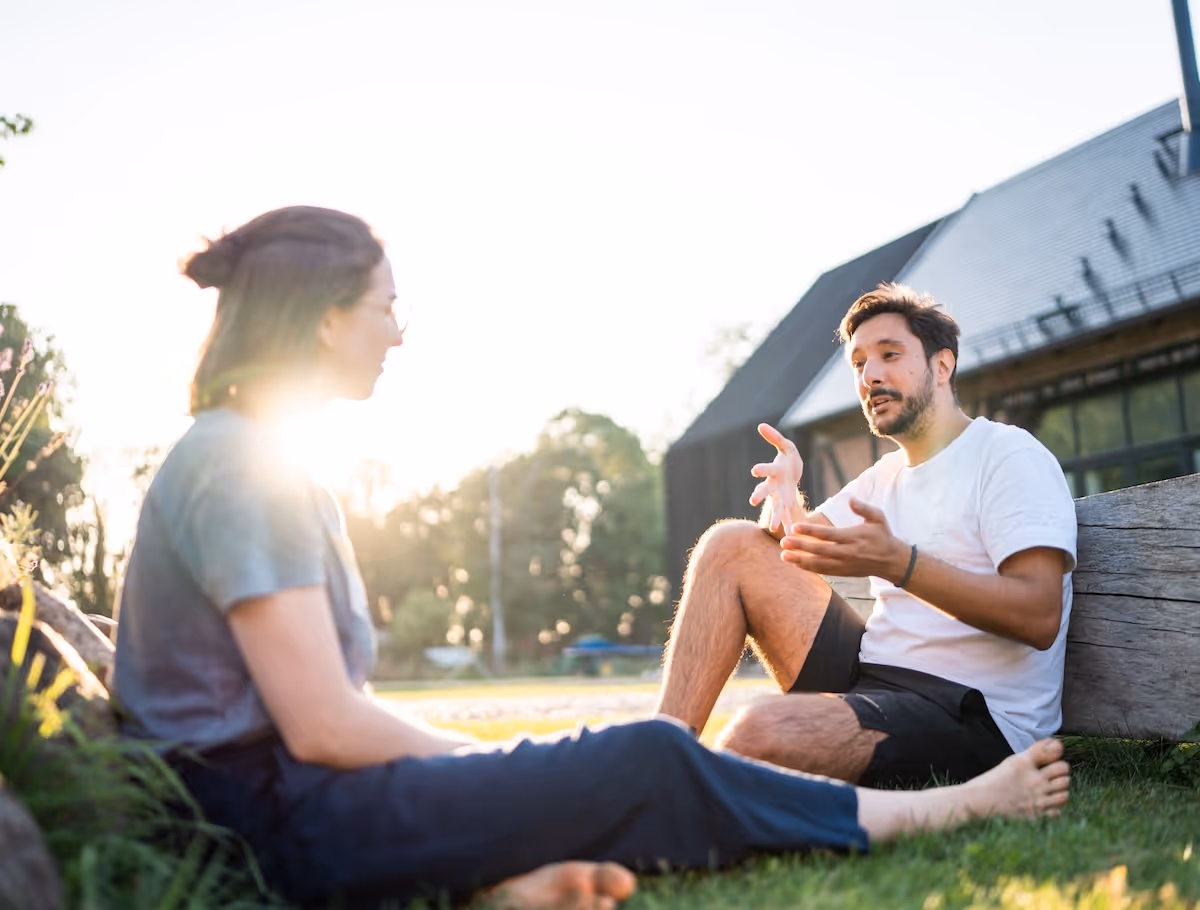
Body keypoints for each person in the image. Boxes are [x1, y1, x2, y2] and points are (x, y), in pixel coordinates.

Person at [111, 209, 1071, 910]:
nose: (398, 331)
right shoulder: (248, 466)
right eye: (385, 308)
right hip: (269, 817)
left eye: (889, 357)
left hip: (280, 801)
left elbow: (1029, 611)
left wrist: (497, 776)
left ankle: (538, 863)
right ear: (325, 318)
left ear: (940, 365)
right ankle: (900, 807)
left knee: (645, 759)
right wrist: (493, 765)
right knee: (654, 737)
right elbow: (321, 725)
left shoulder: (246, 457)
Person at [654, 283, 1079, 789]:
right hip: (874, 677)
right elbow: (802, 546)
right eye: (858, 364)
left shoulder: (1008, 455)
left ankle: (673, 801)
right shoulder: (885, 475)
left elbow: (1039, 615)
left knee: (758, 732)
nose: (870, 375)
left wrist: (901, 564)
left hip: (974, 714)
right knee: (730, 546)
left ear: (942, 367)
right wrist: (788, 499)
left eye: (890, 355)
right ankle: (652, 760)